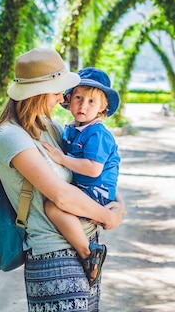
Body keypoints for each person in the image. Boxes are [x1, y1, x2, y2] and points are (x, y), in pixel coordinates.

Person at [0, 47, 125, 312]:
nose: (61, 98)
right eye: (57, 92)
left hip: (87, 247)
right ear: (38, 92)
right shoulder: (11, 136)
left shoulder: (49, 128)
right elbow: (61, 194)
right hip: (53, 254)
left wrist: (117, 204)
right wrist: (108, 217)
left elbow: (90, 173)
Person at [41, 67, 121, 287]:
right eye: (78, 97)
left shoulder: (97, 133)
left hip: (96, 192)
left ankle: (88, 253)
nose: (83, 105)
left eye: (92, 102)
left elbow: (94, 169)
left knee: (53, 207)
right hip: (86, 188)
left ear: (103, 107)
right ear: (68, 99)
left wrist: (60, 158)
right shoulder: (73, 129)